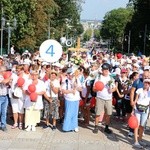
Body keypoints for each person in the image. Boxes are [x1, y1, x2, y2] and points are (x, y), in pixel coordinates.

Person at [93, 63, 116, 134]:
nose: (105, 71)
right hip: (100, 98)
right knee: (97, 113)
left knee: (108, 114)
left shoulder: (111, 78)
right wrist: (97, 89)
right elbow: (94, 88)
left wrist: (112, 90)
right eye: (104, 69)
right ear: (102, 70)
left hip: (108, 98)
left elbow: (114, 88)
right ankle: (96, 126)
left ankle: (106, 127)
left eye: (106, 69)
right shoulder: (98, 77)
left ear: (109, 70)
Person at [24, 66, 46, 131]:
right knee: (28, 111)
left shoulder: (41, 82)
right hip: (29, 99)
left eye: (35, 75)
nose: (34, 76)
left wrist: (36, 93)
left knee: (35, 111)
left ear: (37, 75)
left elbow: (43, 91)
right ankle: (28, 125)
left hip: (37, 99)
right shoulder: (28, 81)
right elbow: (25, 90)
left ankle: (33, 125)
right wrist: (30, 94)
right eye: (33, 75)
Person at [62, 68, 82, 132]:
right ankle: (67, 127)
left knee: (75, 113)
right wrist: (70, 91)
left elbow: (81, 89)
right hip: (69, 99)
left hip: (76, 99)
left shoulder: (77, 80)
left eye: (70, 75)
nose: (69, 76)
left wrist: (77, 87)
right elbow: (63, 91)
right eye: (68, 75)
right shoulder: (66, 81)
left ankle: (74, 126)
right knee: (68, 113)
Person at [131, 79, 150, 149]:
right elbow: (136, 100)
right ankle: (136, 141)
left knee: (142, 126)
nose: (147, 84)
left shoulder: (149, 92)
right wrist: (133, 110)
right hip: (138, 109)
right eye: (146, 83)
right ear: (144, 83)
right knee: (137, 125)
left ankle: (140, 139)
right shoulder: (139, 90)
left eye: (148, 83)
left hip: (145, 110)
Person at [0, 66, 11, 131]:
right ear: (1, 71)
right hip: (0, 96)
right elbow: (3, 82)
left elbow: (7, 84)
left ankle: (3, 125)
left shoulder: (5, 77)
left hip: (5, 96)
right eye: (5, 71)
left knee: (4, 112)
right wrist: (10, 77)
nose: (6, 72)